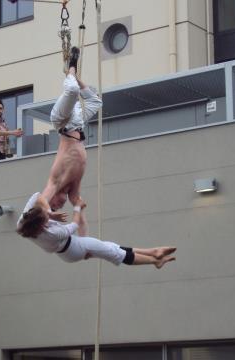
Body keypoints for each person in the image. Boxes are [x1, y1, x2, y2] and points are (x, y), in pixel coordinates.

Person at [17, 192, 176, 268]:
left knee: (111, 246)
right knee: (114, 253)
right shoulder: (51, 234)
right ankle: (156, 260)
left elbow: (37, 196)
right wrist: (78, 207)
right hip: (72, 249)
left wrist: (49, 213)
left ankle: (154, 252)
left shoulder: (24, 220)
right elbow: (74, 225)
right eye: (47, 219)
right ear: (43, 225)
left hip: (70, 246)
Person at [42, 47, 102, 210]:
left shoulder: (54, 182)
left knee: (72, 90)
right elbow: (76, 199)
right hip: (77, 122)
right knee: (97, 102)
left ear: (51, 199)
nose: (59, 206)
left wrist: (48, 213)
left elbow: (41, 202)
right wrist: (77, 208)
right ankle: (72, 74)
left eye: (54, 205)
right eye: (59, 208)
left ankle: (72, 67)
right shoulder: (71, 190)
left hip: (62, 122)